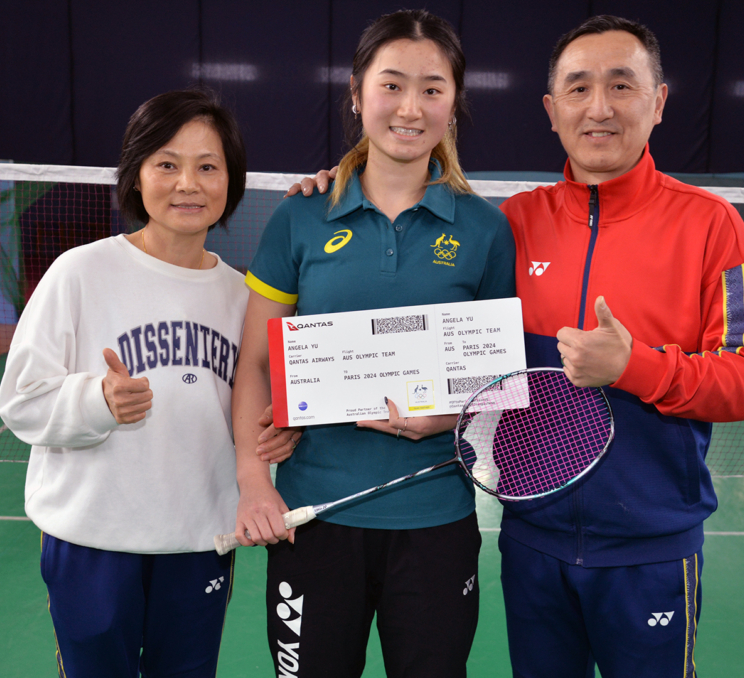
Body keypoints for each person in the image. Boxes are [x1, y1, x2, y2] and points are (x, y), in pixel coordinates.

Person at [291, 15, 744, 678]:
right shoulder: (511, 226)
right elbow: (443, 334)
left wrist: (634, 366)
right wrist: (346, 183)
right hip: (531, 546)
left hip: (650, 554)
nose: (600, 108)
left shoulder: (709, 227)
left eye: (622, 86)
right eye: (578, 90)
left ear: (659, 101)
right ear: (552, 111)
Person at [232, 10, 516, 677]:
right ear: (356, 96)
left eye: (432, 88)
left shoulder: (485, 230)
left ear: (454, 105)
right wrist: (253, 481)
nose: (410, 107)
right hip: (314, 520)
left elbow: (498, 385)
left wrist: (444, 420)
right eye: (391, 85)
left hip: (435, 522)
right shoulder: (300, 216)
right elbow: (254, 361)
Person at [0, 89, 298, 678]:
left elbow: (251, 408)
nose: (188, 182)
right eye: (167, 164)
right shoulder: (80, 272)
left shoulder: (245, 297)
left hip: (197, 540)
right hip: (91, 540)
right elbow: (21, 401)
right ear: (136, 176)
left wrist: (276, 435)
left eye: (208, 166)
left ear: (230, 182)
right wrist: (96, 400)